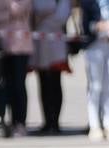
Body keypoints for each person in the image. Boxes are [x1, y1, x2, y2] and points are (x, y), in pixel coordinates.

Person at [0, 0, 32, 136]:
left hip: (21, 47)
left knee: (18, 86)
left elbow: (19, 9)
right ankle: (0, 121)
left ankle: (19, 122)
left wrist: (5, 12)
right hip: (2, 47)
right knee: (2, 85)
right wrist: (8, 14)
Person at [80, 0, 109, 142]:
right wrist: (101, 26)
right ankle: (94, 125)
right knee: (95, 86)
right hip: (95, 47)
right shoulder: (89, 2)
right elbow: (86, 25)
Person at [28, 0, 71, 135]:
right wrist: (42, 17)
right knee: (43, 83)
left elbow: (61, 17)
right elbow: (31, 14)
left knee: (55, 82)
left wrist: (42, 18)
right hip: (39, 43)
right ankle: (46, 121)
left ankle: (55, 122)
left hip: (56, 43)